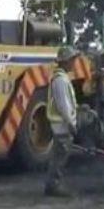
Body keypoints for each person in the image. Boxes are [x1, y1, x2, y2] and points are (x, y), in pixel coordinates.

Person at [44, 46, 80, 198]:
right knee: (59, 156)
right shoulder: (60, 80)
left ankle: (53, 185)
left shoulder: (61, 78)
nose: (74, 63)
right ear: (65, 62)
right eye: (72, 60)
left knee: (60, 155)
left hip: (61, 124)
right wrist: (71, 123)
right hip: (61, 125)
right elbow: (63, 105)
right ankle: (54, 186)